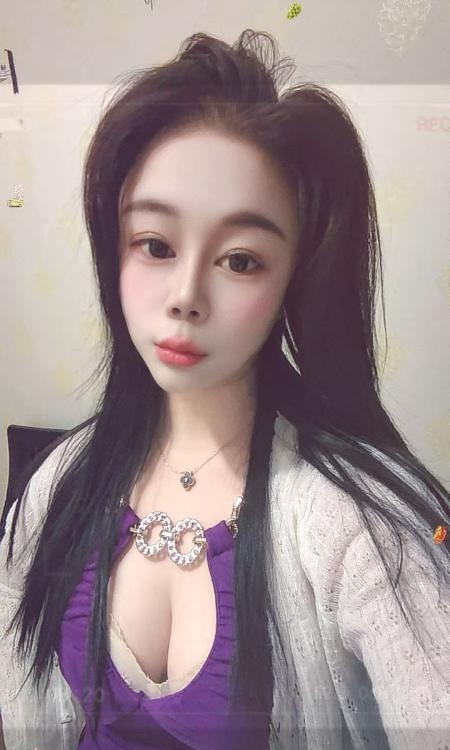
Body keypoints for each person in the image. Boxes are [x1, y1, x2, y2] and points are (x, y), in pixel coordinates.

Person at [0, 28, 449, 750]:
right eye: (155, 245)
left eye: (240, 260)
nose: (185, 295)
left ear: (294, 277)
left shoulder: (355, 526)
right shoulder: (59, 485)